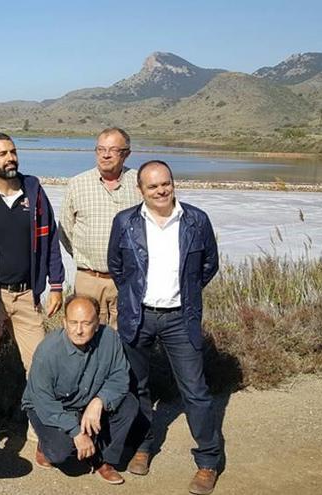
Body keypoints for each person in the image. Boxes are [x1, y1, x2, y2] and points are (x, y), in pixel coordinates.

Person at [108, 160, 221, 495]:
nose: (161, 191)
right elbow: (118, 266)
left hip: (179, 318)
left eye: (166, 184)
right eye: (153, 186)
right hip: (137, 315)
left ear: (173, 183)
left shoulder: (196, 220)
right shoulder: (125, 221)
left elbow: (209, 265)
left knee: (195, 391)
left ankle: (208, 461)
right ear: (140, 189)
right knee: (137, 387)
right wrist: (134, 297)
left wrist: (184, 293)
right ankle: (143, 446)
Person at [0, 132, 65, 433]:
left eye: (13, 151)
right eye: (2, 154)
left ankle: (42, 432)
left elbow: (49, 238)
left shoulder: (33, 190)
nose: (10, 158)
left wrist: (57, 284)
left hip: (26, 294)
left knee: (39, 367)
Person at [21, 296, 137, 485]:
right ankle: (46, 446)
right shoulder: (48, 351)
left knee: (129, 403)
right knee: (62, 454)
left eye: (86, 323)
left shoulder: (110, 339)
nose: (79, 330)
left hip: (88, 400)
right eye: (73, 323)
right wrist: (77, 432)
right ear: (64, 322)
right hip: (52, 408)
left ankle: (102, 460)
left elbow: (120, 377)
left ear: (97, 324)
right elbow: (43, 402)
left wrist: (100, 401)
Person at [59, 127, 140, 329]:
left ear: (126, 154)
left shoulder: (140, 183)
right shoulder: (78, 183)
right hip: (89, 279)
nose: (105, 155)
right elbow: (65, 230)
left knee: (127, 337)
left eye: (113, 150)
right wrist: (84, 257)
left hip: (127, 280)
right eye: (101, 149)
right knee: (86, 335)